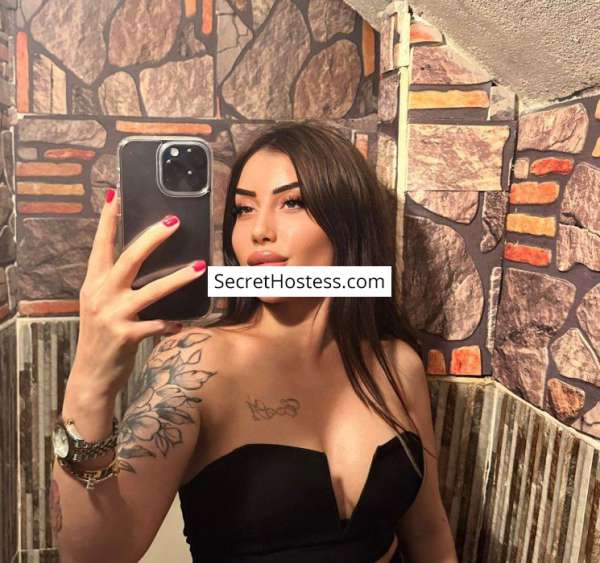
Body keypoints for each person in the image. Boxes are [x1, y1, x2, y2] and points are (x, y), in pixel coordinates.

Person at [50, 121, 458, 562]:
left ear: (349, 221)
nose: (260, 229)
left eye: (292, 202)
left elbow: (429, 535)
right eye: (243, 209)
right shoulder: (197, 363)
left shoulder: (396, 364)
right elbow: (93, 556)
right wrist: (90, 383)